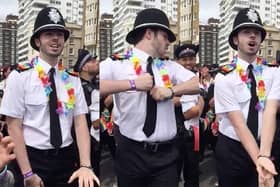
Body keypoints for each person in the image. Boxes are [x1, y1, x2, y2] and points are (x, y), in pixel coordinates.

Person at [0, 7, 99, 187]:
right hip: (32, 159)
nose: (56, 38)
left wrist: (86, 165)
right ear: (37, 41)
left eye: (60, 34)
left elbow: (80, 123)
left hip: (66, 159)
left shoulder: (72, 80)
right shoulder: (20, 77)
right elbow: (14, 126)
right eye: (49, 34)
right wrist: (28, 173)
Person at [100, 8, 199, 187]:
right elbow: (92, 86)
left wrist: (171, 91)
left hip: (166, 156)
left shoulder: (169, 66)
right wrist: (131, 84)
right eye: (165, 36)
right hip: (131, 153)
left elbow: (197, 84)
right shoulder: (117, 63)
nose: (169, 42)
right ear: (148, 34)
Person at [214, 8, 280, 187]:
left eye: (256, 32)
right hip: (233, 150)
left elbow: (270, 110)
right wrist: (260, 160)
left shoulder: (273, 72)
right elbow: (239, 123)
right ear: (235, 39)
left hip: (265, 143)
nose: (252, 36)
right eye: (246, 32)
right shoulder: (224, 76)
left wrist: (264, 156)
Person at [174, 44, 204, 187]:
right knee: (172, 174)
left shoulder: (198, 78)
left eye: (191, 58)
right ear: (177, 61)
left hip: (194, 132)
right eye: (184, 59)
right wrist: (196, 105)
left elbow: (202, 102)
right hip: (176, 133)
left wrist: (199, 106)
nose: (188, 63)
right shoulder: (171, 79)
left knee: (192, 174)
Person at [73, 48, 100, 186]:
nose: (97, 62)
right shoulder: (78, 87)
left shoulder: (96, 85)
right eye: (92, 60)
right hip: (84, 144)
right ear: (84, 67)